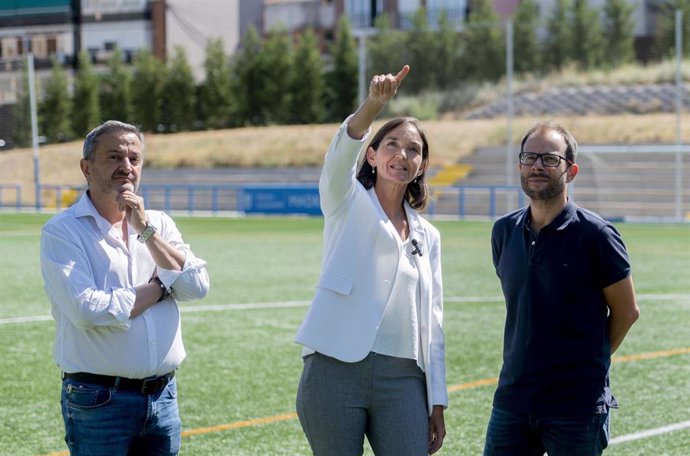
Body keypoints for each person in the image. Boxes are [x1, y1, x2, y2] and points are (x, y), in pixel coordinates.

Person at [294, 65, 447, 456]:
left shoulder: (428, 236)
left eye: (414, 149)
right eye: (392, 144)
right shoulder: (345, 201)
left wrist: (437, 400)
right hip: (334, 369)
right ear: (373, 156)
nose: (403, 154)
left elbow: (433, 322)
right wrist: (373, 106)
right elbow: (339, 157)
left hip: (404, 379)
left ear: (422, 166)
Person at [40, 120, 210, 456]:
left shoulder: (159, 224)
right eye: (114, 157)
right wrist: (160, 288)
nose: (126, 167)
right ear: (86, 167)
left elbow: (197, 285)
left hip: (163, 397)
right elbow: (88, 310)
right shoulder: (63, 231)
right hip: (99, 401)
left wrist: (145, 230)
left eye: (134, 159)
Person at [483, 121, 640, 456]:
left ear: (571, 171)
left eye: (550, 159)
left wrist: (589, 359)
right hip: (513, 400)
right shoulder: (503, 232)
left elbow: (627, 311)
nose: (538, 165)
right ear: (520, 165)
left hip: (577, 406)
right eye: (530, 157)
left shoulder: (598, 236)